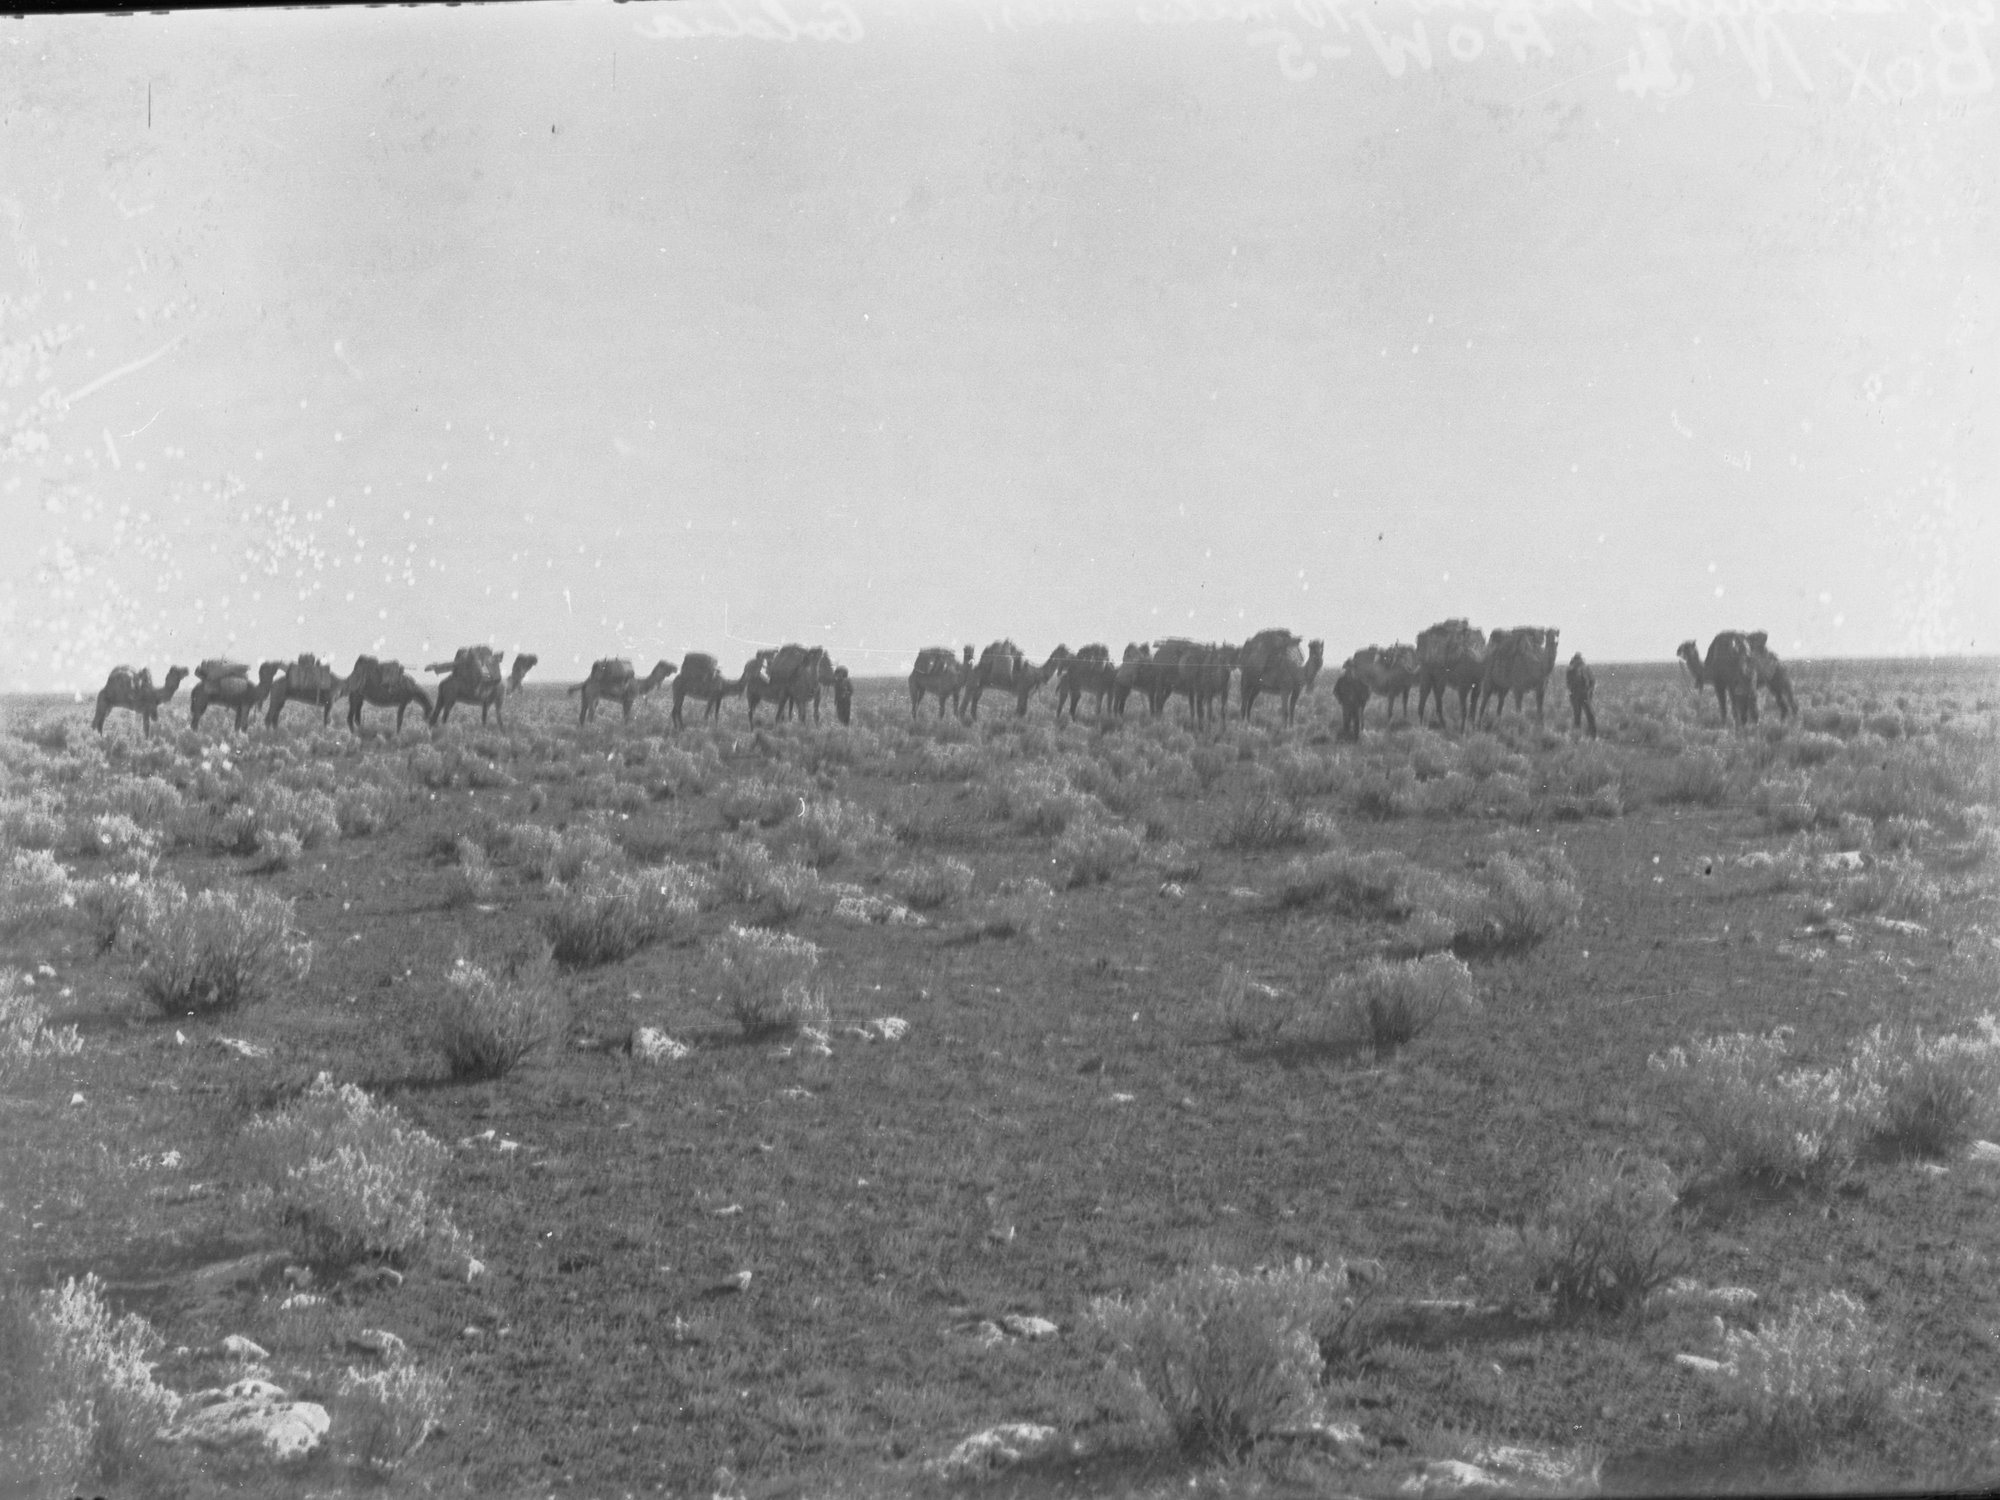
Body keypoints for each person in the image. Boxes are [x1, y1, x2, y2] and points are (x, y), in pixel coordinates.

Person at [1565, 653, 1597, 738]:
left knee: (1590, 716)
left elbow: (1592, 682)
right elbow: (1569, 684)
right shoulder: (1570, 671)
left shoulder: (1586, 670)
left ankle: (1593, 736)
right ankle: (1577, 737)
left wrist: (1590, 692)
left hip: (1585, 695)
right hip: (1576, 696)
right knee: (1577, 717)